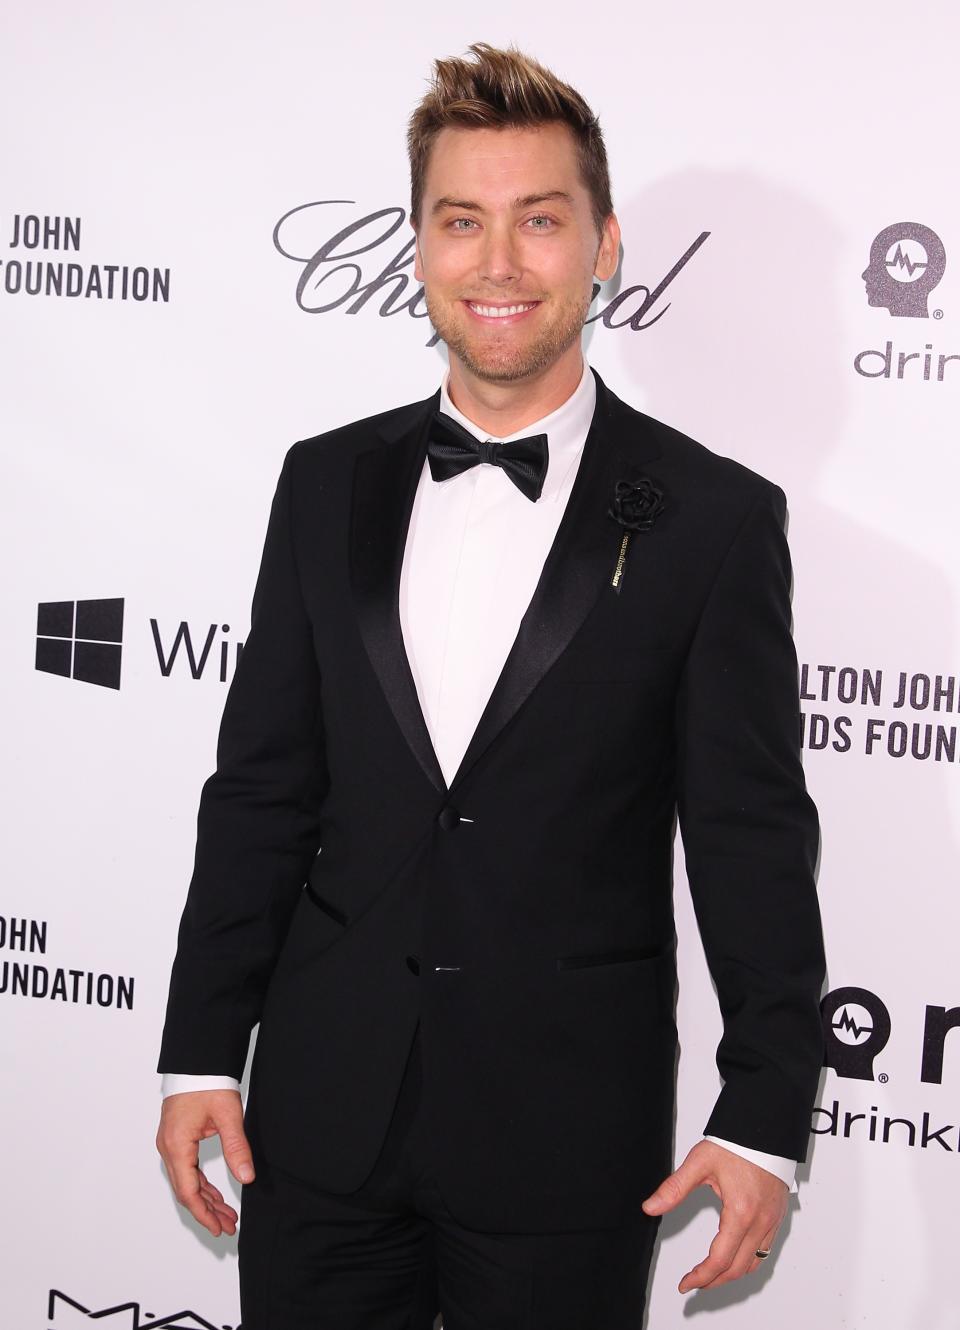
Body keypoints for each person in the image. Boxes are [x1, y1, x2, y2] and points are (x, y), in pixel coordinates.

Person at [156, 41, 826, 1329]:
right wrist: (200, 1048)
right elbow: (260, 792)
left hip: (568, 1140)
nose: (500, 263)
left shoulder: (714, 521)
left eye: (540, 220)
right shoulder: (322, 483)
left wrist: (762, 1114)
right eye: (462, 222)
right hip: (321, 1124)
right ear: (418, 244)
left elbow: (748, 838)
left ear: (604, 244)